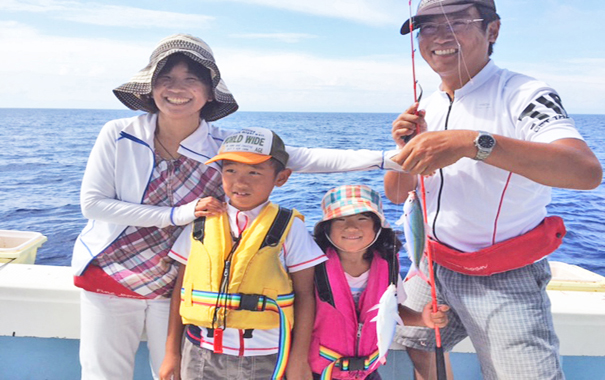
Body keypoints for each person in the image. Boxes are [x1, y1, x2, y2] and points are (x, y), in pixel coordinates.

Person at [71, 34, 404, 380]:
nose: (177, 88)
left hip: (175, 283)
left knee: (169, 373)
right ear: (151, 87)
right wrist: (178, 215)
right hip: (109, 273)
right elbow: (92, 204)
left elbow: (306, 157)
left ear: (210, 91)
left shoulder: (223, 146)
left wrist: (388, 159)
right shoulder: (118, 133)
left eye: (191, 79)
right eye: (166, 78)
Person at [384, 0, 603, 379]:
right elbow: (395, 193)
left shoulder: (524, 93)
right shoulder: (426, 107)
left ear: (493, 31)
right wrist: (404, 149)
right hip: (431, 266)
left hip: (502, 276)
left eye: (457, 21)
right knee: (413, 341)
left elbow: (585, 172)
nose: (440, 35)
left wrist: (473, 143)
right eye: (428, 26)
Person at [160, 127, 322, 380]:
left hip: (265, 356)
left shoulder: (290, 227)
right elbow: (180, 289)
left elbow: (305, 296)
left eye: (254, 172)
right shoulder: (201, 222)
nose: (240, 182)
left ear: (281, 178)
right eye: (230, 170)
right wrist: (172, 352)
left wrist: (299, 358)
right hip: (199, 352)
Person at [309, 185, 449, 380]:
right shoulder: (312, 266)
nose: (351, 227)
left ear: (377, 226)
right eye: (340, 219)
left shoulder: (387, 264)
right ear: (327, 228)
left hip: (368, 372)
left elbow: (391, 311)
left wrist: (422, 319)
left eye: (362, 218)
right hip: (317, 371)